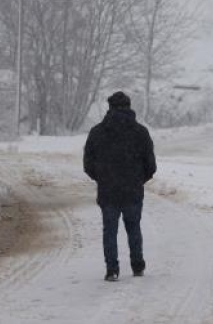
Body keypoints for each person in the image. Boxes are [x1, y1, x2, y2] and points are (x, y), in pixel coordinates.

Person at [83, 91, 157, 282]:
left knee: (110, 230)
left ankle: (112, 269)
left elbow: (88, 163)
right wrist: (138, 179)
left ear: (110, 108)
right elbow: (151, 165)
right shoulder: (141, 132)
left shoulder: (97, 132)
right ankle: (137, 265)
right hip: (132, 190)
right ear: (129, 107)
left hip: (108, 191)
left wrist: (102, 177)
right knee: (133, 228)